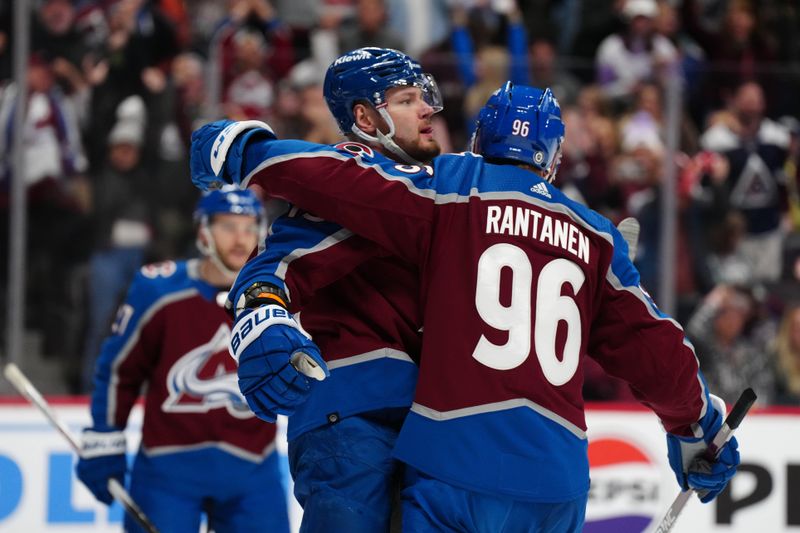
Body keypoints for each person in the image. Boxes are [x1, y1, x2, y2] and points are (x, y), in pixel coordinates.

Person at [190, 81, 742, 531]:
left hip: (455, 457)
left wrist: (246, 150)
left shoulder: (452, 186)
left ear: (479, 140)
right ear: (551, 158)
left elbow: (343, 182)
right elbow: (658, 348)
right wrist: (698, 426)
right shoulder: (597, 238)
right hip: (558, 483)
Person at [219, 47, 444, 532]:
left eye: (423, 97)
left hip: (432, 416)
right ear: (365, 117)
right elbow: (276, 267)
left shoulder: (435, 185)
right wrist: (262, 314)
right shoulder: (354, 184)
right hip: (354, 414)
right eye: (407, 100)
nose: (427, 109)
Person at [75, 187, 290, 533]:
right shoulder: (159, 289)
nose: (241, 238)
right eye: (228, 226)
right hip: (167, 472)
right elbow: (120, 371)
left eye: (251, 227)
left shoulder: (282, 295)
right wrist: (105, 436)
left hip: (252, 471)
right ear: (204, 232)